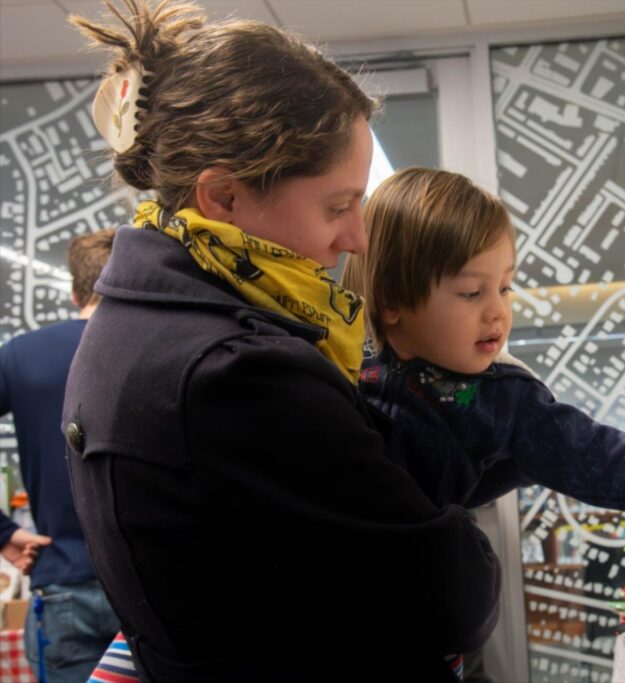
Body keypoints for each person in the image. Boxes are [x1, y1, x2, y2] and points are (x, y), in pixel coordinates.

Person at [63, 2, 499, 681]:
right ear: (224, 198)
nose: (357, 238)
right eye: (338, 205)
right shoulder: (236, 371)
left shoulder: (134, 318)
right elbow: (454, 595)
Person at [343, 167, 625, 528]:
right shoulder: (339, 364)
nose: (497, 312)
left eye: (505, 288)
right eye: (472, 292)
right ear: (393, 300)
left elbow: (591, 452)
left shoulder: (505, 397)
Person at [0, 229, 121, 683]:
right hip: (152, 586)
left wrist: (3, 534)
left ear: (75, 292)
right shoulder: (161, 348)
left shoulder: (21, 355)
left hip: (64, 582)